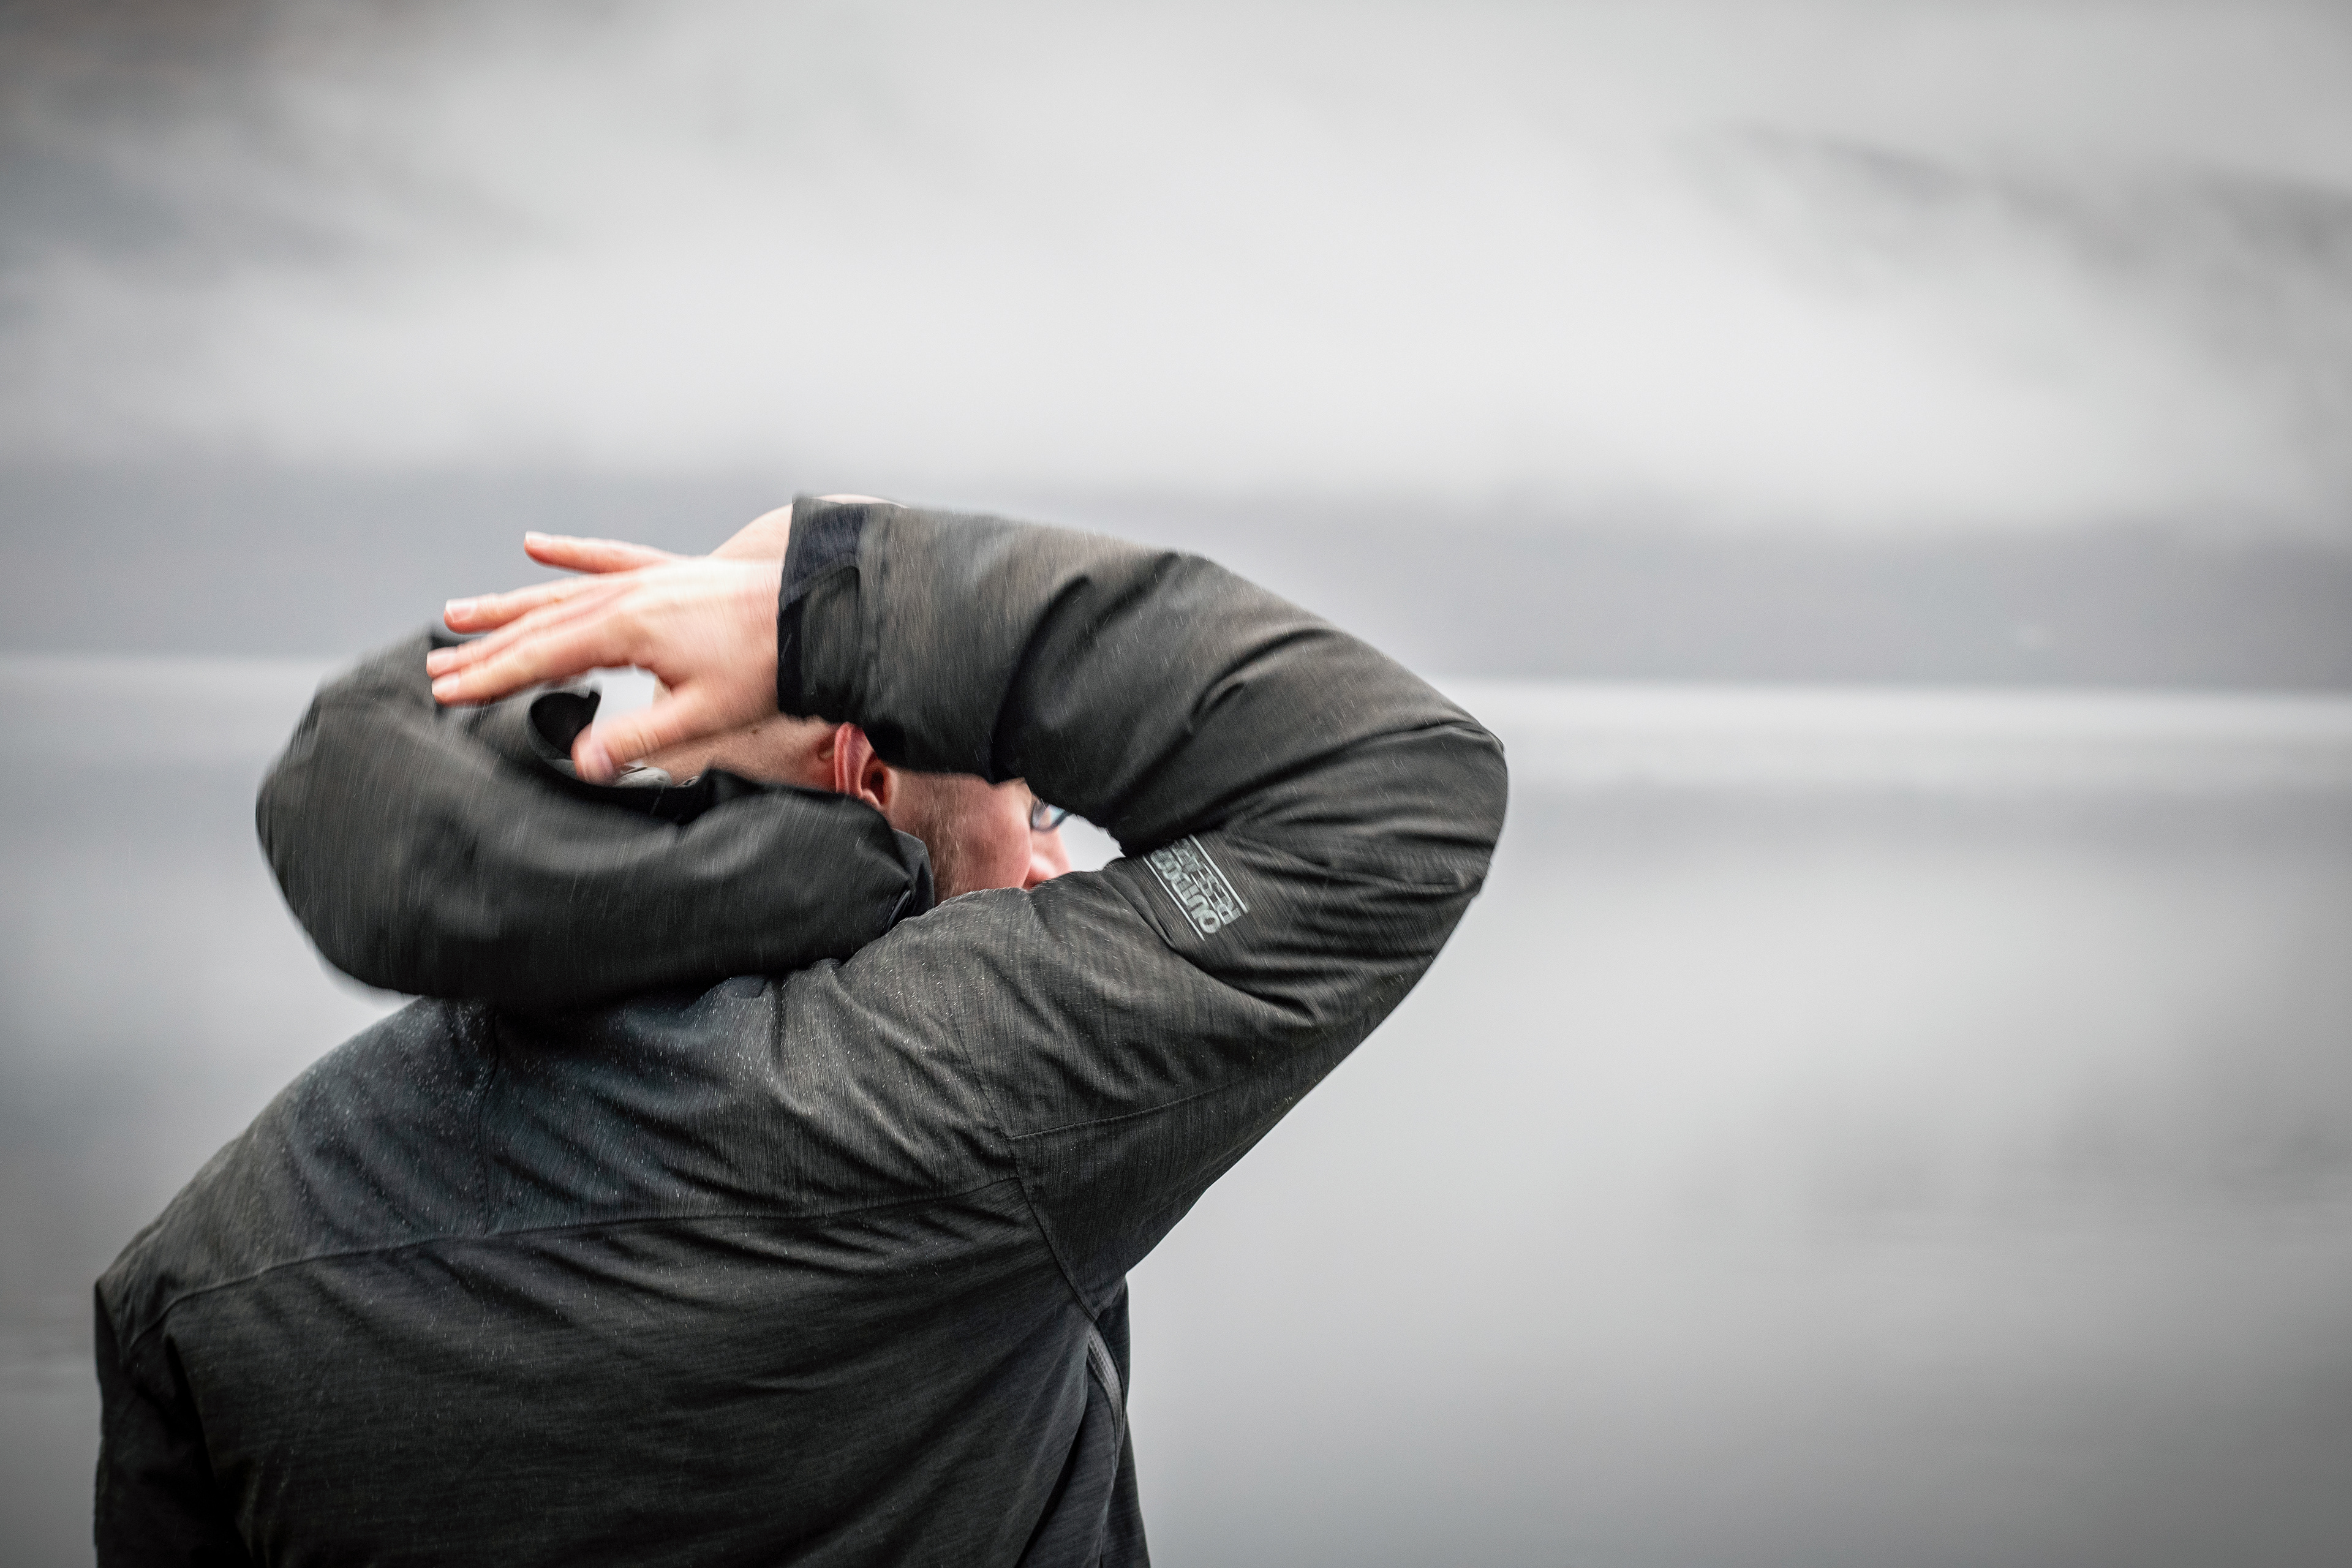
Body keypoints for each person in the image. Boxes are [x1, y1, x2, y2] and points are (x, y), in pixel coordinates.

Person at [94, 496, 1507, 1565]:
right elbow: (1400, 792)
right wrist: (847, 595)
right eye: (1036, 805)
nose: (1055, 864)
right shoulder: (951, 1094)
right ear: (866, 768)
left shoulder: (212, 1254)